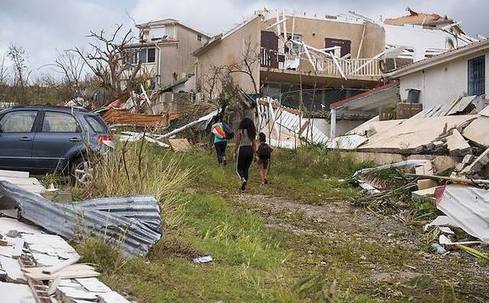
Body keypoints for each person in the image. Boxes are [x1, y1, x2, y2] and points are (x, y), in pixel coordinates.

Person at [234, 117, 256, 192]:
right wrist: (255, 154)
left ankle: (242, 179)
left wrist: (235, 151)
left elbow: (237, 142)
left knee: (239, 168)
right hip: (250, 150)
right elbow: (254, 144)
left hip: (243, 149)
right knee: (246, 168)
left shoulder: (241, 131)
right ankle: (244, 187)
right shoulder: (252, 132)